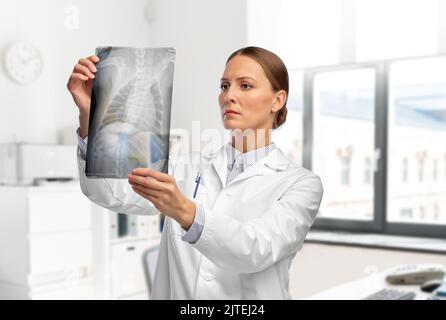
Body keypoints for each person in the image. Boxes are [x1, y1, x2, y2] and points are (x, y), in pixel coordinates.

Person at [67, 46, 323, 299]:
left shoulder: (301, 185)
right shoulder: (182, 164)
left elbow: (255, 250)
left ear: (278, 100)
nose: (229, 96)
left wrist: (183, 209)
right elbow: (112, 192)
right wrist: (92, 118)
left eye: (245, 86)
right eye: (224, 86)